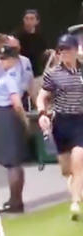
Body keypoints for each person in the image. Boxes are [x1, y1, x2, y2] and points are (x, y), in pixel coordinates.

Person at [38, 35, 83, 220]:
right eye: (61, 50)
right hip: (61, 122)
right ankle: (78, 188)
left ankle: (75, 201)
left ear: (75, 50)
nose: (64, 53)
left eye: (67, 49)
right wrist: (42, 114)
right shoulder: (52, 73)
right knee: (67, 169)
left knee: (78, 158)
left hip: (80, 120)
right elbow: (42, 96)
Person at [0, 45, 30, 213]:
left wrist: (25, 121)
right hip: (6, 116)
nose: (2, 61)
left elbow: (16, 102)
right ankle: (15, 200)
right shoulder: (9, 75)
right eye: (1, 58)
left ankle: (16, 202)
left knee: (12, 162)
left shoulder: (12, 76)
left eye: (5, 58)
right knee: (13, 162)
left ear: (14, 59)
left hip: (8, 115)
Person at [15, 9, 46, 88]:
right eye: (27, 18)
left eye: (32, 19)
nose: (29, 21)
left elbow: (43, 52)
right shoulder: (17, 36)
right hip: (21, 73)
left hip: (37, 73)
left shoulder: (41, 37)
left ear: (37, 21)